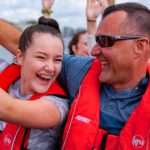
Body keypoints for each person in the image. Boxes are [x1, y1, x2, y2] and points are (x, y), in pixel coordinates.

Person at [0, 2, 150, 150]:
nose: (93, 51)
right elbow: (28, 46)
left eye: (105, 41)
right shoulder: (81, 70)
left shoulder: (56, 107)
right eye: (96, 40)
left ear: (140, 46)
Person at [0, 16, 68, 150]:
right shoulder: (6, 71)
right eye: (41, 57)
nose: (50, 67)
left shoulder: (56, 107)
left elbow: (7, 109)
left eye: (57, 60)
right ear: (20, 57)